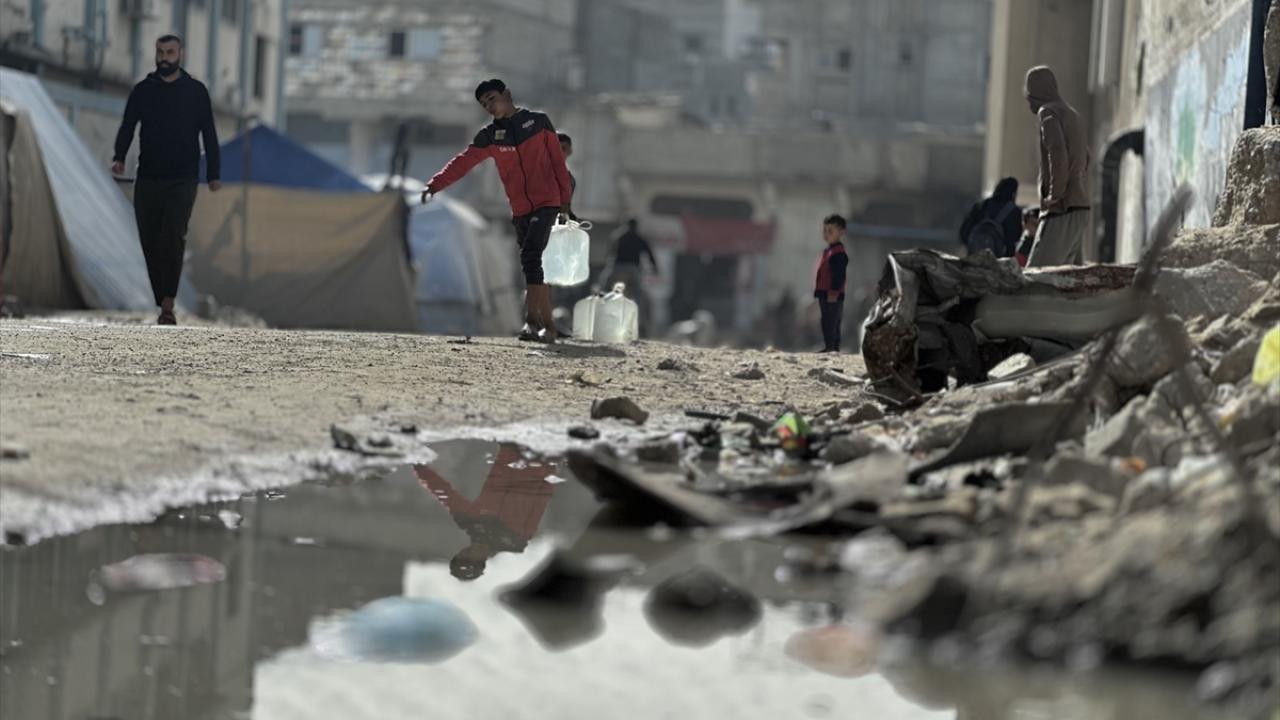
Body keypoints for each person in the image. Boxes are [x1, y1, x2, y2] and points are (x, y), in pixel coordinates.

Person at [421, 79, 573, 343]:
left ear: (507, 94)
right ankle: (546, 326)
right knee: (533, 264)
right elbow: (463, 162)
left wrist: (565, 202)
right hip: (520, 208)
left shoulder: (538, 122)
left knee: (531, 256)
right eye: (484, 104)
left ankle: (531, 322)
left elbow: (558, 163)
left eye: (492, 99)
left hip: (547, 202)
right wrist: (435, 184)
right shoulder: (490, 136)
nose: (489, 106)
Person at [112, 34, 221, 326]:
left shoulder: (196, 92)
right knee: (150, 239)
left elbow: (209, 133)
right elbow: (128, 126)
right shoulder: (143, 91)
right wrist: (119, 156)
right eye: (160, 52)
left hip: (183, 178)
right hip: (148, 176)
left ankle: (168, 304)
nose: (164, 58)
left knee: (172, 235)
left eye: (169, 52)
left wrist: (214, 173)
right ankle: (161, 298)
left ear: (180, 54)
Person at [414, 444, 558, 581]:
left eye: (463, 555)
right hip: (538, 465)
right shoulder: (515, 541)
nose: (468, 553)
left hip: (509, 454)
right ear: (481, 562)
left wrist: (419, 468)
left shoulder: (470, 522)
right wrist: (550, 467)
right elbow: (541, 502)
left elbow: (444, 493)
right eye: (471, 558)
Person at [1025, 66, 1090, 267]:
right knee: (1071, 279)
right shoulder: (1072, 114)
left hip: (1062, 209)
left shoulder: (1048, 113)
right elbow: (1086, 157)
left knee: (1036, 276)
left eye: (1030, 93)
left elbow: (1057, 153)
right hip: (1079, 208)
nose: (1028, 100)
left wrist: (1055, 194)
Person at [958, 177, 1021, 258]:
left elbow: (964, 231)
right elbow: (1015, 237)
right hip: (999, 259)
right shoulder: (1014, 211)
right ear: (1013, 193)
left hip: (975, 257)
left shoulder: (981, 205)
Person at [814, 214, 849, 354]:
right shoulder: (828, 251)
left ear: (841, 232)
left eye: (830, 231)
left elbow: (839, 275)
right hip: (825, 292)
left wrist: (834, 292)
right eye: (825, 230)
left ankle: (832, 347)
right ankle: (830, 346)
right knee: (827, 320)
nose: (826, 234)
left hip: (832, 294)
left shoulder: (838, 253)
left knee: (832, 321)